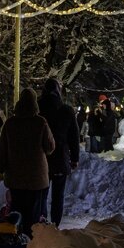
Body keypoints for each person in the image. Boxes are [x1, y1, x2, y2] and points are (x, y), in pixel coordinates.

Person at [0, 88, 55, 237]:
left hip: (15, 176)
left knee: (17, 210)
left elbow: (3, 149)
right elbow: (50, 147)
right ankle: (31, 240)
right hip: (36, 177)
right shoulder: (40, 122)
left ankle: (16, 237)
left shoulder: (10, 123)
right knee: (34, 212)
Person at [38, 79, 80, 227]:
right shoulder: (66, 110)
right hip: (60, 158)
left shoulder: (38, 109)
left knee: (41, 193)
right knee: (58, 195)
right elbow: (74, 137)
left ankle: (41, 223)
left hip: (41, 158)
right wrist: (74, 158)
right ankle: (55, 224)